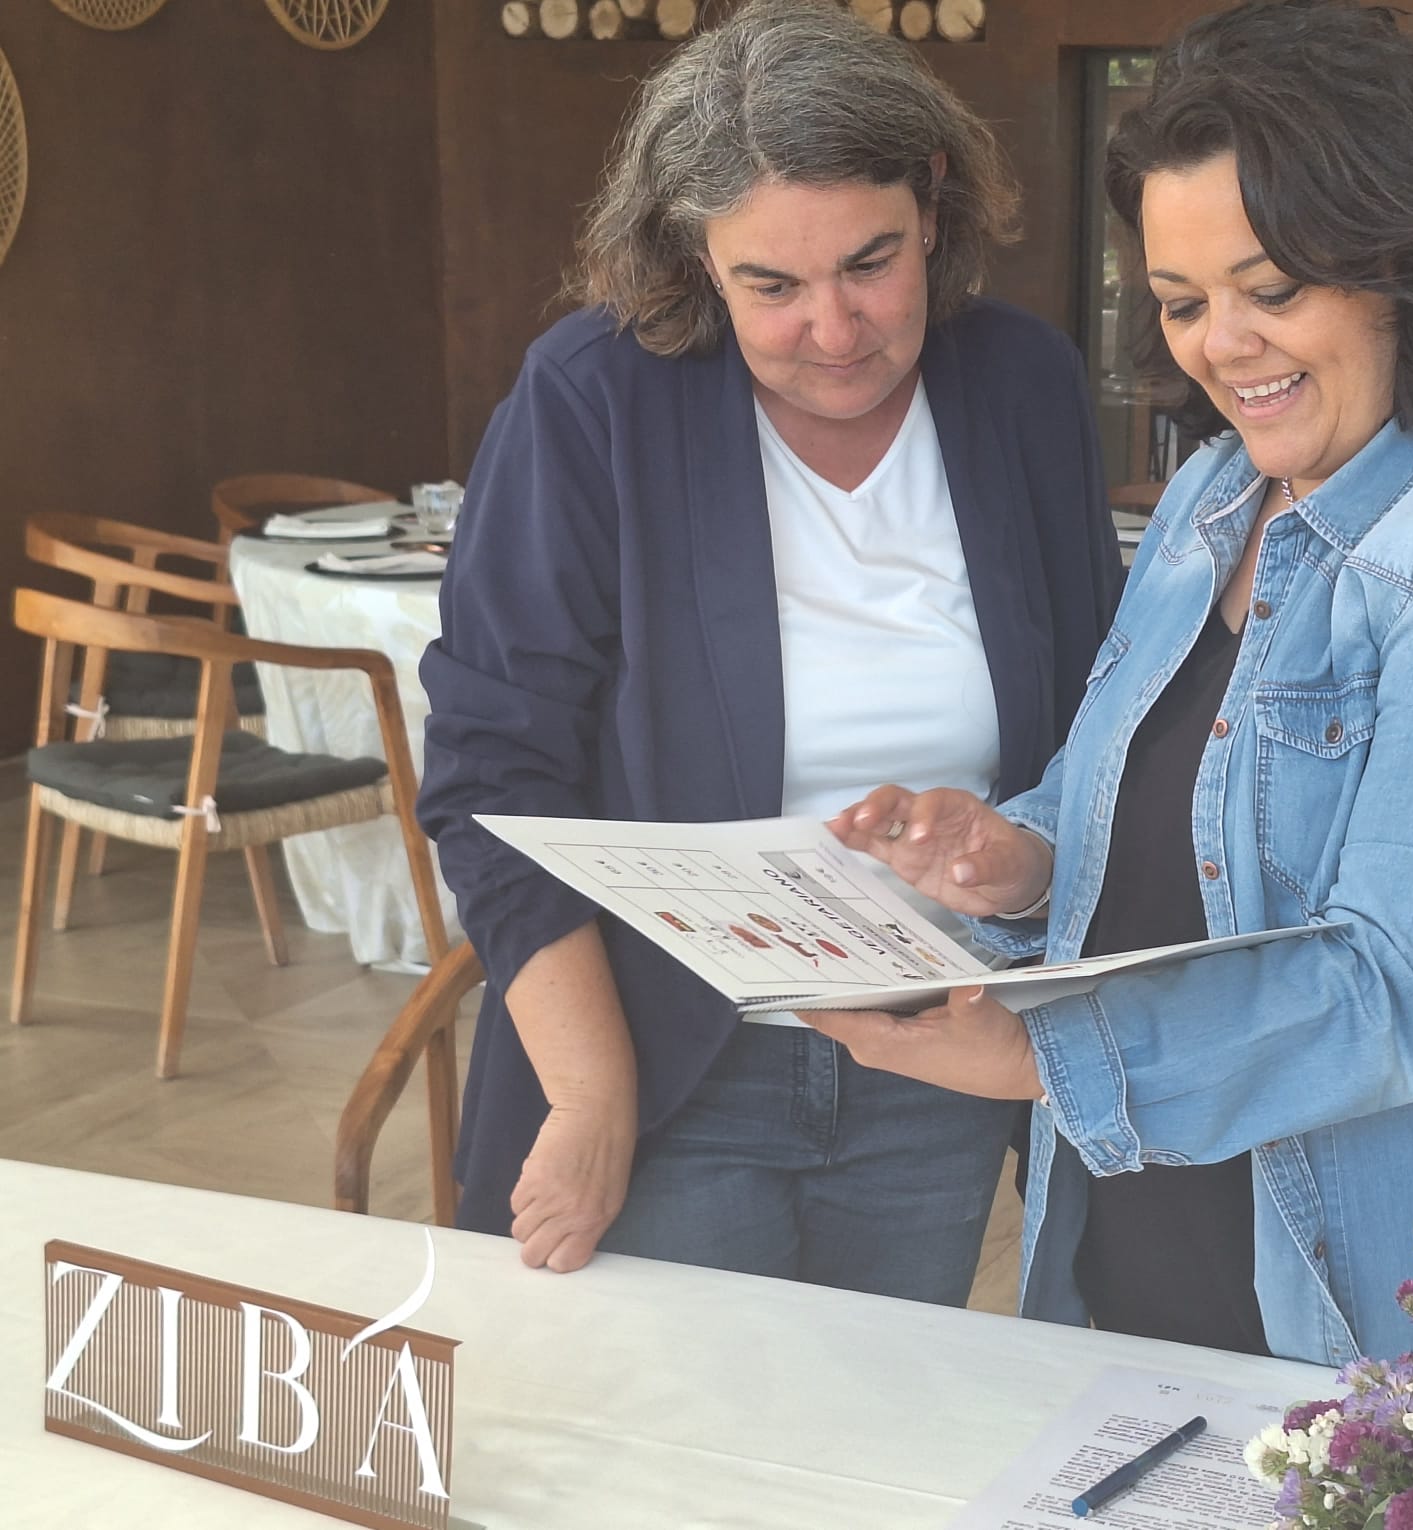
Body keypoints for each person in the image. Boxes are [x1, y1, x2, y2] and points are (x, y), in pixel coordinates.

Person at [811, 0, 1413, 1365]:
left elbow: (1392, 985)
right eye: (1183, 303)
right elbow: (1164, 821)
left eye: (1274, 291)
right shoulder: (1222, 491)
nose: (1223, 346)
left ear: (1411, 263)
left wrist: (1022, 1058)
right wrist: (1017, 860)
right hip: (1165, 1281)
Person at [417, 0, 1120, 1300]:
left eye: (872, 262)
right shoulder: (595, 399)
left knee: (868, 1442)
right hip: (669, 1051)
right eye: (772, 285)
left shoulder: (1021, 386)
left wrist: (1012, 870)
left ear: (935, 198)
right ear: (694, 255)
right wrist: (593, 1088)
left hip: (938, 1049)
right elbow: (489, 775)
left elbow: (1099, 733)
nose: (837, 329)